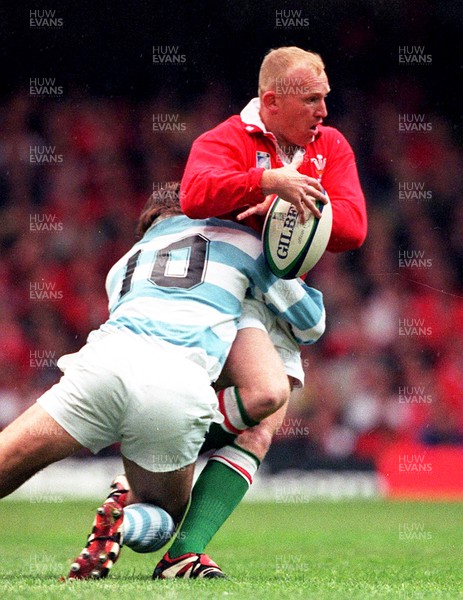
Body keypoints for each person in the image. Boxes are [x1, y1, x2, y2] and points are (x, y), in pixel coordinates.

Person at [0, 187, 326, 579]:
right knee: (161, 517)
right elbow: (310, 326)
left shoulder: (122, 263)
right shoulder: (243, 241)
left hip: (100, 368)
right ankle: (125, 525)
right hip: (174, 387)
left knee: (8, 460)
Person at [149, 46, 368, 578]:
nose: (323, 112)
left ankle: (177, 544)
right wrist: (266, 182)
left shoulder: (330, 146)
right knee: (263, 400)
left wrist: (289, 209)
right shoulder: (225, 139)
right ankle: (147, 477)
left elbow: (355, 228)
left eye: (326, 99)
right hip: (223, 291)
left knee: (261, 426)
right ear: (272, 101)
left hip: (277, 295)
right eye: (312, 100)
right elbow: (195, 194)